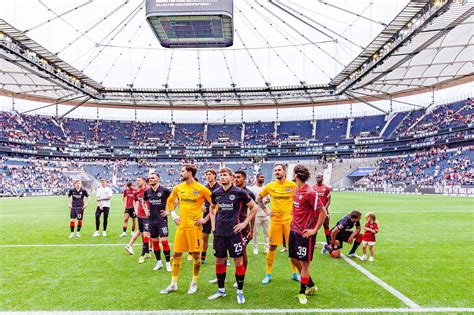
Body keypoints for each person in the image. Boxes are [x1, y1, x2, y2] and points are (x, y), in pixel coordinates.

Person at [160, 164, 213, 295]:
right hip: (181, 227)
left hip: (194, 228)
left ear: (190, 172)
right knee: (176, 254)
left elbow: (215, 203)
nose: (180, 173)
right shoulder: (178, 187)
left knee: (196, 255)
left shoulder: (201, 189)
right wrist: (173, 215)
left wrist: (205, 219)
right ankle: (173, 284)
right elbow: (170, 201)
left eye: (183, 171)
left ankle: (194, 283)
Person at [207, 168, 258, 304]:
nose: (222, 177)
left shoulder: (240, 192)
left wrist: (244, 223)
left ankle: (240, 291)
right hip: (219, 233)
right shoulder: (216, 193)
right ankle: (221, 290)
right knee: (219, 261)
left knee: (238, 262)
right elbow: (211, 208)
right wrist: (213, 225)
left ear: (231, 177)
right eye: (221, 175)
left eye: (225, 175)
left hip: (235, 233)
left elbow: (254, 207)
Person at [289, 165, 327, 304]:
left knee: (305, 265)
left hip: (305, 233)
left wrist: (315, 230)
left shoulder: (310, 192)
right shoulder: (295, 189)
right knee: (294, 259)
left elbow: (323, 212)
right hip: (293, 230)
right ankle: (310, 284)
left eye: (293, 173)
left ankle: (302, 292)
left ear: (296, 175)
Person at [257, 164, 300, 284]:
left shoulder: (292, 185)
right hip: (275, 221)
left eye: (279, 170)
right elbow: (259, 198)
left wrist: (296, 211)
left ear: (284, 172)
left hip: (289, 222)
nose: (277, 172)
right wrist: (266, 210)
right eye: (275, 170)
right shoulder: (271, 186)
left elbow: (301, 198)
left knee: (293, 248)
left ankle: (295, 273)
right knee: (272, 247)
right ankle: (268, 274)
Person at [143, 173, 172, 271]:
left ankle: (168, 263)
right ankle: (159, 263)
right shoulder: (147, 191)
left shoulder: (165, 190)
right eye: (149, 178)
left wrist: (169, 211)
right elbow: (143, 202)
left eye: (152, 178)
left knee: (164, 242)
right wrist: (146, 210)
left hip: (162, 220)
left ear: (158, 179)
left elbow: (175, 200)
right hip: (151, 221)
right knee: (155, 243)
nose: (150, 179)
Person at [201, 169, 221, 264]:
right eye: (207, 174)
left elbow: (217, 206)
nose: (208, 176)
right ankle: (203, 257)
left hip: (218, 214)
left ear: (214, 176)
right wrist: (201, 206)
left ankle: (224, 257)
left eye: (210, 174)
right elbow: (199, 200)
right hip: (207, 213)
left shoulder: (220, 187)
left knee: (219, 237)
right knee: (204, 236)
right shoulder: (204, 187)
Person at [249, 173, 270, 255]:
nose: (263, 178)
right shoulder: (252, 189)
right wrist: (259, 201)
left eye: (264, 177)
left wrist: (266, 200)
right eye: (261, 177)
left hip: (265, 213)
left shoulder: (266, 188)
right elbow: (250, 200)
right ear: (257, 178)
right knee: (255, 232)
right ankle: (255, 248)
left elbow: (269, 199)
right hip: (256, 213)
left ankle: (266, 248)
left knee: (267, 232)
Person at [133, 176, 152, 263]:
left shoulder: (148, 191)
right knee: (142, 234)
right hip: (140, 216)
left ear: (144, 182)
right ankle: (147, 252)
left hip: (147, 216)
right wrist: (135, 209)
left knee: (146, 234)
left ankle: (142, 255)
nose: (137, 182)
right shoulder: (136, 191)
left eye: (139, 180)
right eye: (137, 180)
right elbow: (134, 200)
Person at [313, 173, 332, 247]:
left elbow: (329, 200)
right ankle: (313, 243)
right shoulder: (313, 187)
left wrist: (324, 209)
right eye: (317, 177)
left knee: (326, 226)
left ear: (322, 178)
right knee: (315, 227)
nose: (318, 179)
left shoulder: (327, 188)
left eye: (319, 177)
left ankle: (329, 243)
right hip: (316, 212)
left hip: (325, 211)